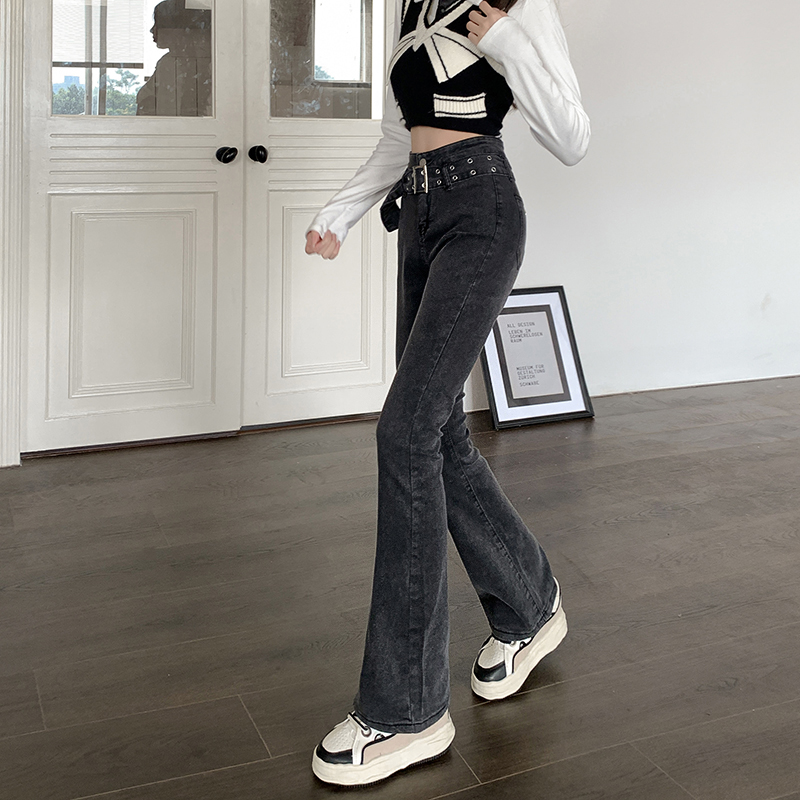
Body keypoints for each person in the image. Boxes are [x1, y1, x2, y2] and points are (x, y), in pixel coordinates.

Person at [304, 0, 590, 786]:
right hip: (421, 215)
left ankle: (408, 711)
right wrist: (339, 214)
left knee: (405, 432)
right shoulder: (411, 6)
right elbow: (397, 138)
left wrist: (506, 40)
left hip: (482, 212)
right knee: (436, 431)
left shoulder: (519, 5)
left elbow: (572, 135)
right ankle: (530, 603)